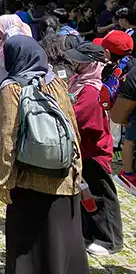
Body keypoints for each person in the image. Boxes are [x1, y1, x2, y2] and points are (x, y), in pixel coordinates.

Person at [0, 35, 88, 274]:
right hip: (63, 171)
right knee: (62, 233)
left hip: (29, 176)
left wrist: (4, 181)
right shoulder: (56, 82)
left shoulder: (11, 88)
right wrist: (77, 168)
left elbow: (8, 139)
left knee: (29, 239)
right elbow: (72, 127)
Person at [63, 41, 124, 255]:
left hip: (94, 152)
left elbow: (82, 120)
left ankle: (110, 240)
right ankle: (90, 233)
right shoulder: (78, 81)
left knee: (103, 196)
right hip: (83, 150)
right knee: (87, 195)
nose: (74, 63)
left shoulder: (91, 90)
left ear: (91, 64)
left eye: (79, 60)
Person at [98, 31, 136, 196]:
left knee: (129, 140)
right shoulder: (133, 65)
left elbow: (117, 116)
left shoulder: (111, 71)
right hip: (129, 114)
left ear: (107, 52)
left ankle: (127, 175)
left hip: (124, 116)